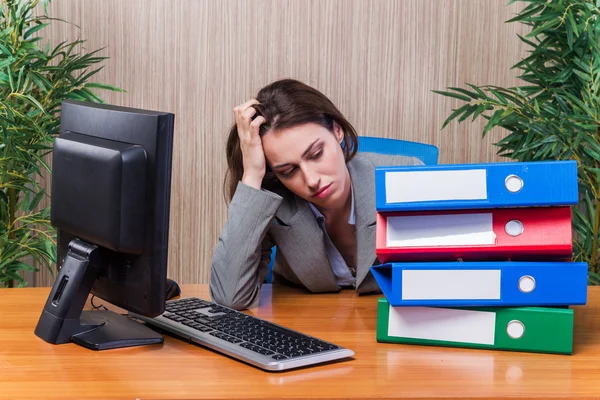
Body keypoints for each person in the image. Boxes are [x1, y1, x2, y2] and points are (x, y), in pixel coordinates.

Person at [209, 79, 422, 310]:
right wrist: (252, 174)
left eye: (316, 154)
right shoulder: (273, 201)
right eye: (288, 171)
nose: (311, 180)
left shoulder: (406, 178)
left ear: (337, 131)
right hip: (306, 329)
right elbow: (228, 298)